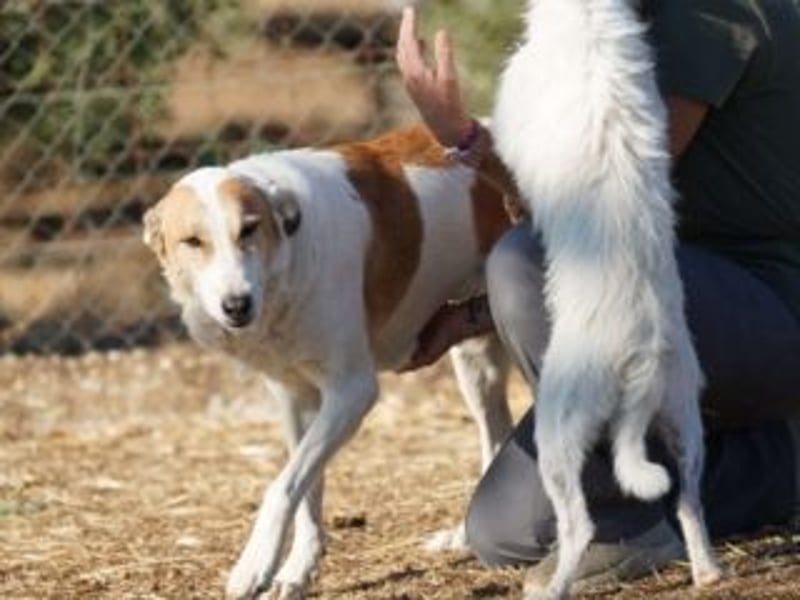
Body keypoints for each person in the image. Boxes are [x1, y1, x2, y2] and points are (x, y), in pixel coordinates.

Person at [396, 0, 800, 587]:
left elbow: (598, 206)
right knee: (506, 531)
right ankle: (777, 459)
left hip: (768, 304)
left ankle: (624, 527)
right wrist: (474, 316)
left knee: (522, 259)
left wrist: (463, 138)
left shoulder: (709, 15)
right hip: (673, 296)